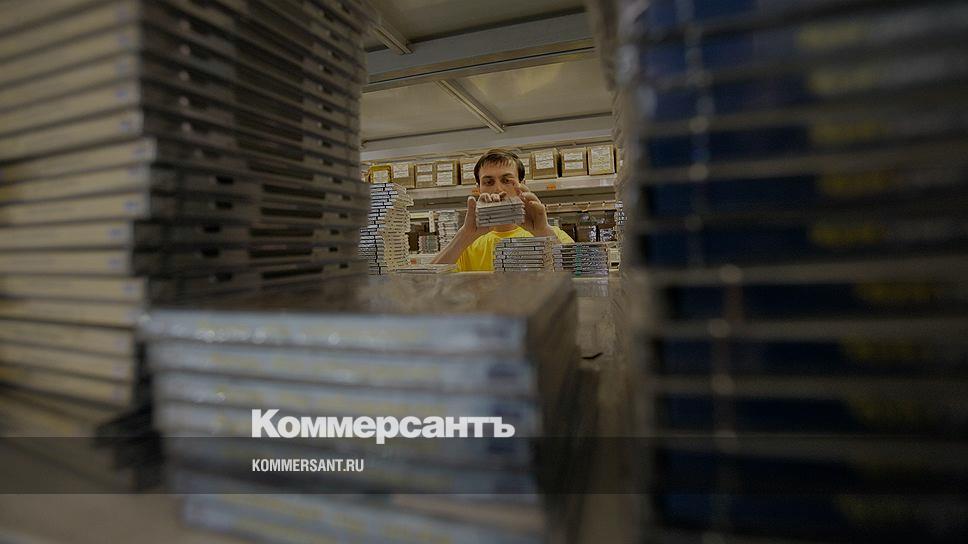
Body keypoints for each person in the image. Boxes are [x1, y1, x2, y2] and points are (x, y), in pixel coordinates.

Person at [432, 149, 574, 271]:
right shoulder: (468, 243)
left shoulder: (553, 234)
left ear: (522, 184)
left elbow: (579, 276)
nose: (498, 189)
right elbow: (425, 282)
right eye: (488, 182)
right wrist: (465, 235)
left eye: (506, 181)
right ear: (478, 188)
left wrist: (542, 232)